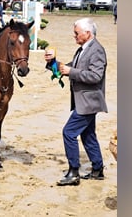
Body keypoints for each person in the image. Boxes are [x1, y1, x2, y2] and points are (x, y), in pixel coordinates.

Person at [44, 17, 108, 186]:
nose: (74, 36)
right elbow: (68, 68)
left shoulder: (97, 50)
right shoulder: (83, 49)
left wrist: (71, 71)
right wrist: (52, 63)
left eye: (76, 33)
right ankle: (97, 169)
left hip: (89, 101)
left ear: (87, 33)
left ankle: (74, 172)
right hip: (84, 101)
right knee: (88, 135)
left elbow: (95, 76)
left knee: (69, 133)